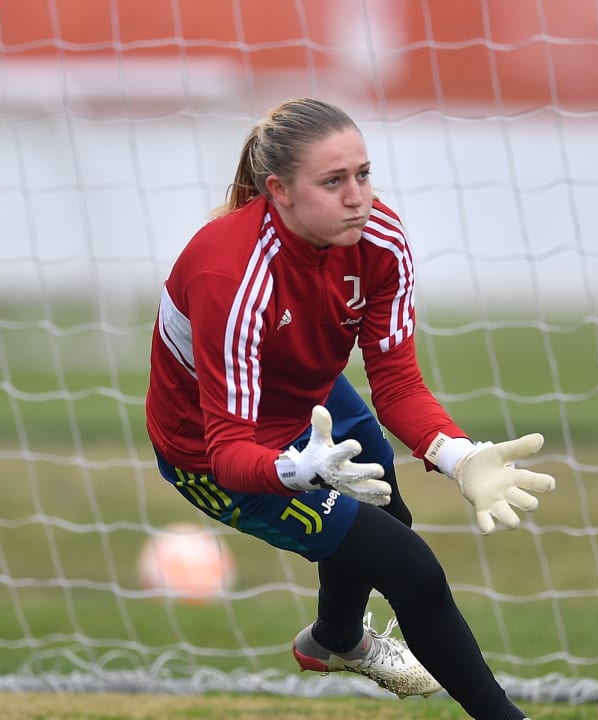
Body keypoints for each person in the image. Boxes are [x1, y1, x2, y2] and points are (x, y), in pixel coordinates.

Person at [144, 97, 555, 720]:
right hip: (213, 449)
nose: (358, 196)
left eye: (363, 174)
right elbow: (228, 450)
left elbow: (395, 384)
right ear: (278, 190)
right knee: (411, 570)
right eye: (333, 182)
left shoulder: (380, 239)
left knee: (393, 520)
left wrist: (459, 455)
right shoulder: (230, 277)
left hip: (307, 401)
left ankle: (336, 638)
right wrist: (294, 471)